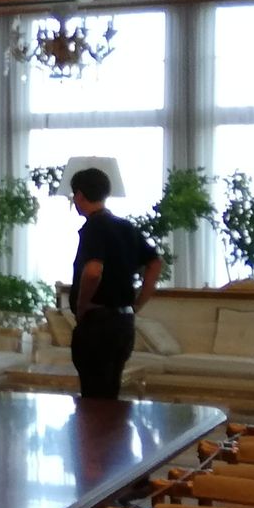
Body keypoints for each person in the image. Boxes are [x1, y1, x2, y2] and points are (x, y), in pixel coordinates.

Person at [67, 167, 163, 400]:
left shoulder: (94, 227)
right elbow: (155, 263)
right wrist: (138, 303)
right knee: (110, 394)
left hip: (97, 324)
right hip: (123, 324)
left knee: (93, 397)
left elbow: (93, 271)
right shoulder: (125, 227)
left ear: (79, 195)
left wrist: (81, 306)